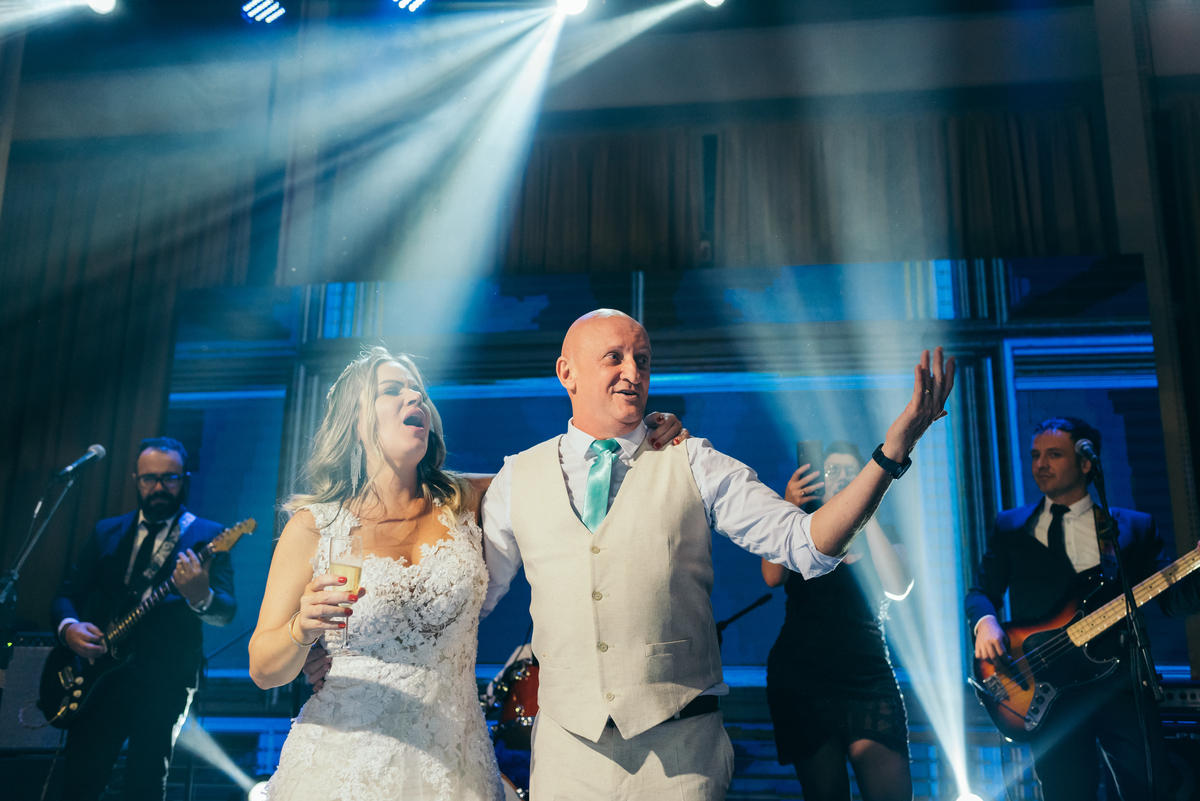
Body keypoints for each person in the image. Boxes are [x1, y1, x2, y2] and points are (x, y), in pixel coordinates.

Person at [481, 309, 954, 800]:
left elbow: (808, 544)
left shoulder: (693, 460)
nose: (633, 372)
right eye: (614, 358)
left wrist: (891, 453)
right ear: (567, 372)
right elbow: (474, 601)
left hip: (681, 757)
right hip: (566, 759)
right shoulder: (519, 478)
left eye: (642, 359)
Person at [249, 347, 685, 801]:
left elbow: (582, 468)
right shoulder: (315, 527)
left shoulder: (471, 499)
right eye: (392, 390)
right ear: (354, 420)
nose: (414, 397)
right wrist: (302, 629)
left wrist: (643, 435)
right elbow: (263, 669)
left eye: (418, 391)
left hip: (455, 764)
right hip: (339, 765)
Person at [966, 416, 1200, 801]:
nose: (1040, 464)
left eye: (1054, 455)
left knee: (1151, 790)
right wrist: (985, 621)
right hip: (1048, 689)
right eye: (1035, 455)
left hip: (1121, 682)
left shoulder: (1133, 527)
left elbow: (1172, 600)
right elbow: (980, 592)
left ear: (1086, 463)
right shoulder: (1010, 527)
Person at [51, 437, 237, 801]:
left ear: (185, 480)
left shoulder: (208, 535)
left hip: (164, 682)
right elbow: (65, 595)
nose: (159, 487)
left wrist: (200, 595)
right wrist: (69, 628)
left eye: (170, 478)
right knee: (80, 781)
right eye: (150, 478)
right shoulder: (107, 531)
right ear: (135, 479)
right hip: (97, 677)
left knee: (145, 784)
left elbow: (226, 611)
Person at [761, 441, 914, 801]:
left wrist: (866, 507)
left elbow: (898, 587)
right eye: (832, 471)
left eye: (851, 471)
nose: (841, 477)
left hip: (867, 676)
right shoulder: (802, 527)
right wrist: (788, 506)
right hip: (802, 676)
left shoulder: (886, 531)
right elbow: (771, 577)